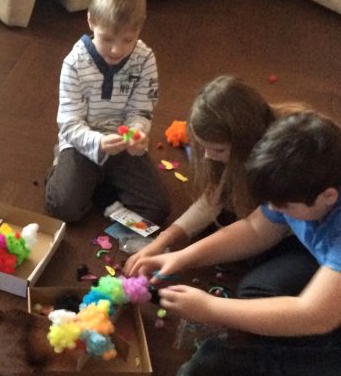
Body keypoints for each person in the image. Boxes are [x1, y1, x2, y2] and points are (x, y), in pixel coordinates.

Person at [130, 111, 341, 376]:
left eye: (284, 207)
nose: (276, 211)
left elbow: (314, 315)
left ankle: (238, 366)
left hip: (322, 302)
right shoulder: (299, 183)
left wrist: (210, 308)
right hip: (326, 269)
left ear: (328, 196)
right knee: (258, 294)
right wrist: (182, 256)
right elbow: (255, 230)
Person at [125, 75, 311, 275]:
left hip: (298, 236)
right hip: (267, 222)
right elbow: (212, 200)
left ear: (246, 142)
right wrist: (164, 239)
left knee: (256, 264)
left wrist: (182, 257)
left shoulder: (282, 164)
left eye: (219, 150)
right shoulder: (246, 146)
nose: (208, 156)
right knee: (218, 222)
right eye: (204, 147)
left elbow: (257, 230)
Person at [44, 0, 170, 224]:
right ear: (91, 21)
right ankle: (62, 167)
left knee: (158, 208)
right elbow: (69, 124)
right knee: (63, 207)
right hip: (82, 144)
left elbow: (141, 110)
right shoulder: (74, 63)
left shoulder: (145, 60)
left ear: (139, 28)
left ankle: (99, 184)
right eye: (107, 38)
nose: (116, 50)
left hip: (121, 146)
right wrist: (98, 142)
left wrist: (137, 132)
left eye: (128, 40)